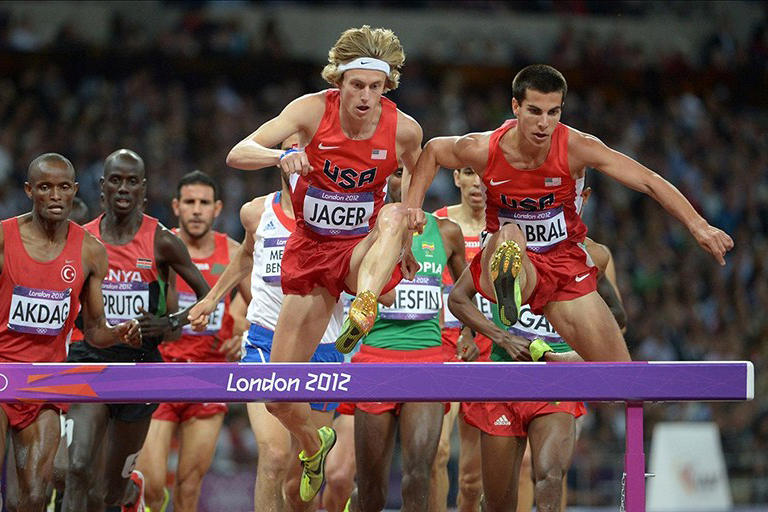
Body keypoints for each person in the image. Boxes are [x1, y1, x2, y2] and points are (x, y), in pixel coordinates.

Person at [200, 25, 423, 501]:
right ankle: (313, 441)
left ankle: (365, 305)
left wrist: (408, 225)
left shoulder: (402, 127)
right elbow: (238, 152)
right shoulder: (309, 111)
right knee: (280, 394)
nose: (365, 97)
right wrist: (282, 154)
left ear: (387, 87)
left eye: (375, 87)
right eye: (356, 85)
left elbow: (417, 165)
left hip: (360, 255)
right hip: (310, 253)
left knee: (390, 213)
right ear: (338, 82)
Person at [405, 63, 733, 366]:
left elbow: (648, 180)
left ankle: (564, 352)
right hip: (508, 256)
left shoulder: (578, 147)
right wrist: (413, 209)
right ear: (516, 107)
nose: (544, 123)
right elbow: (433, 150)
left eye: (553, 112)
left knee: (621, 375)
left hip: (563, 262)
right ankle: (510, 289)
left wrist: (699, 226)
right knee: (510, 236)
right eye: (534, 111)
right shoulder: (483, 148)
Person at [188, 137, 345, 512]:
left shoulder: (338, 217)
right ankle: (314, 442)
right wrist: (212, 298)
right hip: (264, 339)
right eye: (290, 148)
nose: (297, 156)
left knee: (298, 485)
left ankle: (312, 447)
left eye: (304, 149)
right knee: (273, 456)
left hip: (321, 347)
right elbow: (245, 257)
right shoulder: (256, 213)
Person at [62, 149, 210, 512]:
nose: (123, 188)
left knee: (108, 492)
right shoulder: (81, 239)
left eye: (132, 181)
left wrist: (170, 323)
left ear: (143, 188)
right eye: (116, 180)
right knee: (76, 468)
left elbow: (208, 296)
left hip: (142, 367)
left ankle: (130, 493)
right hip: (90, 359)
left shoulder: (161, 240)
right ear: (103, 187)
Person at [0, 153, 140, 511]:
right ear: (30, 190)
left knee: (34, 495)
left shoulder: (91, 251)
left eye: (64, 187)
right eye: (45, 187)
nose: (56, 195)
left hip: (47, 380)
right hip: (1, 372)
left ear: (75, 190)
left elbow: (94, 330)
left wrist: (118, 333)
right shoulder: (3, 238)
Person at [450, 234, 626, 512]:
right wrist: (503, 338)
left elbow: (618, 317)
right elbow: (457, 299)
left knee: (550, 479)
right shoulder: (499, 249)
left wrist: (575, 353)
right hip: (504, 380)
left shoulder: (592, 254)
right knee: (498, 504)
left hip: (555, 382)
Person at [346, 168, 469, 512]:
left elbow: (465, 291)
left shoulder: (446, 232)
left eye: (415, 171)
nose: (407, 179)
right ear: (385, 178)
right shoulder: (367, 230)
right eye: (398, 172)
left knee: (418, 477)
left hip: (427, 362)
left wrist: (470, 330)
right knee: (370, 489)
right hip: (375, 359)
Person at [135, 170, 249, 512]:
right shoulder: (159, 246)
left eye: (203, 203)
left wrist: (242, 332)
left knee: (188, 487)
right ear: (176, 207)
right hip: (160, 374)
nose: (196, 210)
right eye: (189, 202)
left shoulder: (233, 252)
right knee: (153, 486)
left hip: (208, 378)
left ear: (217, 208)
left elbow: (263, 308)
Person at [430, 167, 490, 512]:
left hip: (487, 347)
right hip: (443, 341)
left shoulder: (505, 228)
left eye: (484, 174)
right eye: (469, 173)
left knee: (471, 480)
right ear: (456, 178)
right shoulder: (436, 225)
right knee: (437, 451)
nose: (477, 182)